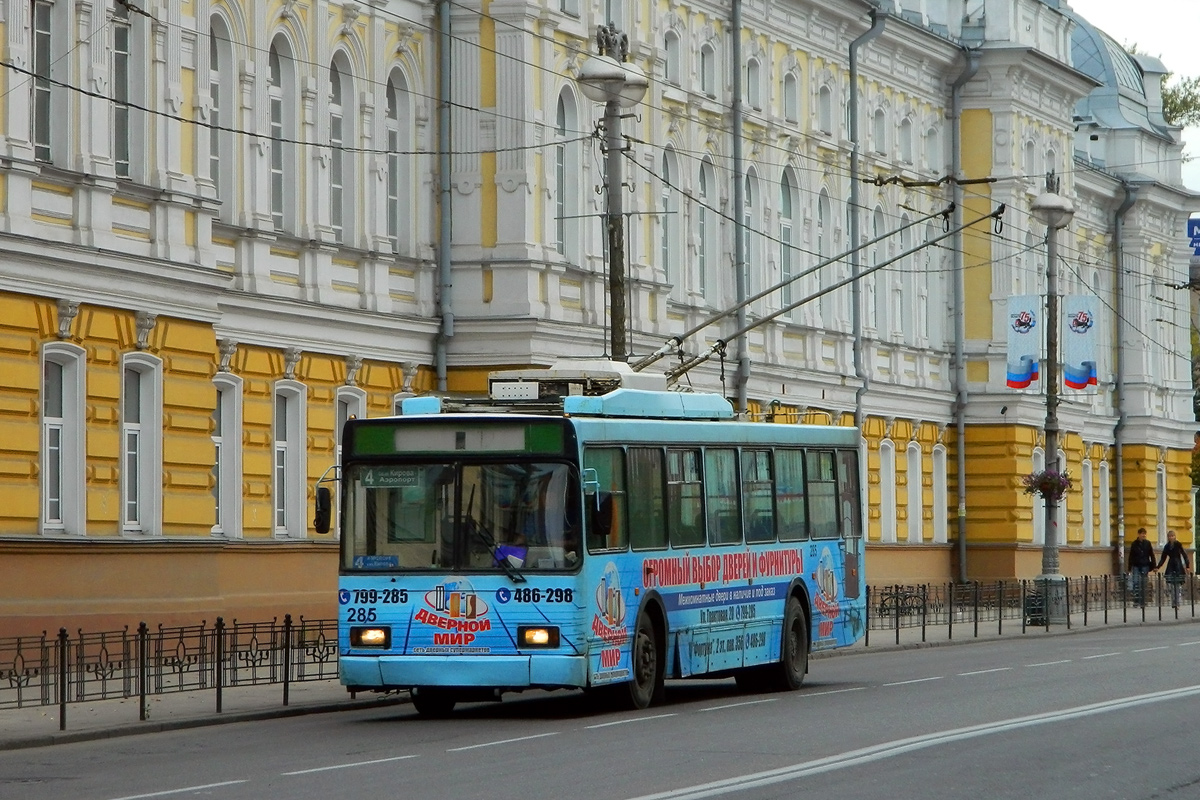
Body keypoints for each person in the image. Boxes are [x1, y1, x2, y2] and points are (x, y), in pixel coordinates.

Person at [1156, 529, 1191, 609]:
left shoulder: (1178, 544)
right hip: (1171, 564)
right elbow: (1163, 558)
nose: (1171, 538)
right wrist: (1158, 567)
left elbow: (1184, 555)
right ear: (1168, 537)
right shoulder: (1167, 546)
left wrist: (1187, 566)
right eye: (1169, 536)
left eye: (1172, 536)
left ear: (1175, 537)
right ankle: (1173, 601)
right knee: (1171, 585)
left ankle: (1177, 602)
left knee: (1178, 585)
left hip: (1178, 564)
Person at [1128, 527, 1156, 608]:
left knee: (1143, 583)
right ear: (1139, 534)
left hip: (1145, 565)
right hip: (1136, 565)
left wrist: (1154, 566)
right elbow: (1131, 556)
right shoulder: (1134, 544)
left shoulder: (1147, 543)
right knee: (1136, 583)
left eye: (1144, 534)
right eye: (1142, 534)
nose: (1144, 535)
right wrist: (1129, 568)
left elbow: (1151, 554)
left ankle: (1143, 601)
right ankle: (1136, 601)